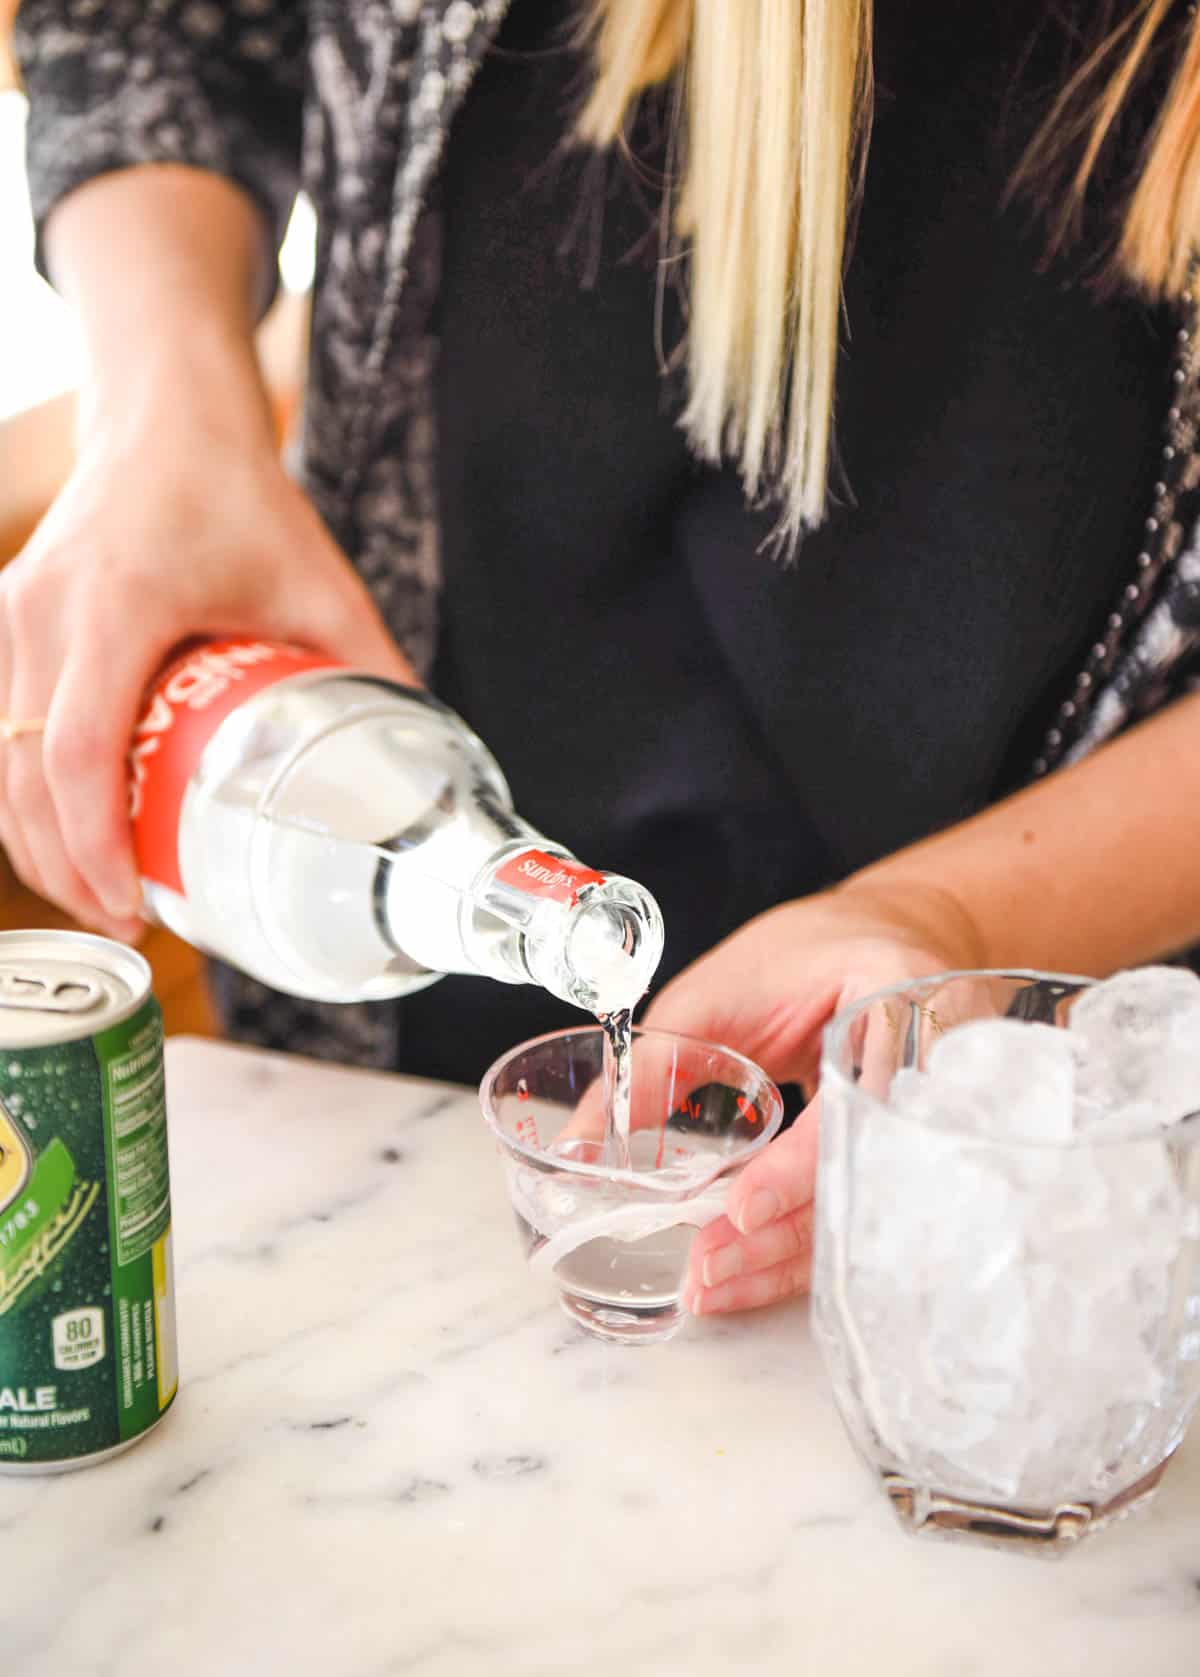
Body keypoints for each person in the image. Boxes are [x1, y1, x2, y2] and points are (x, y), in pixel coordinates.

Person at [5, 0, 1200, 1318]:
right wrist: (163, 405)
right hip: (405, 1094)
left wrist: (966, 924)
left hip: (1049, 1190)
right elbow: (157, 30)